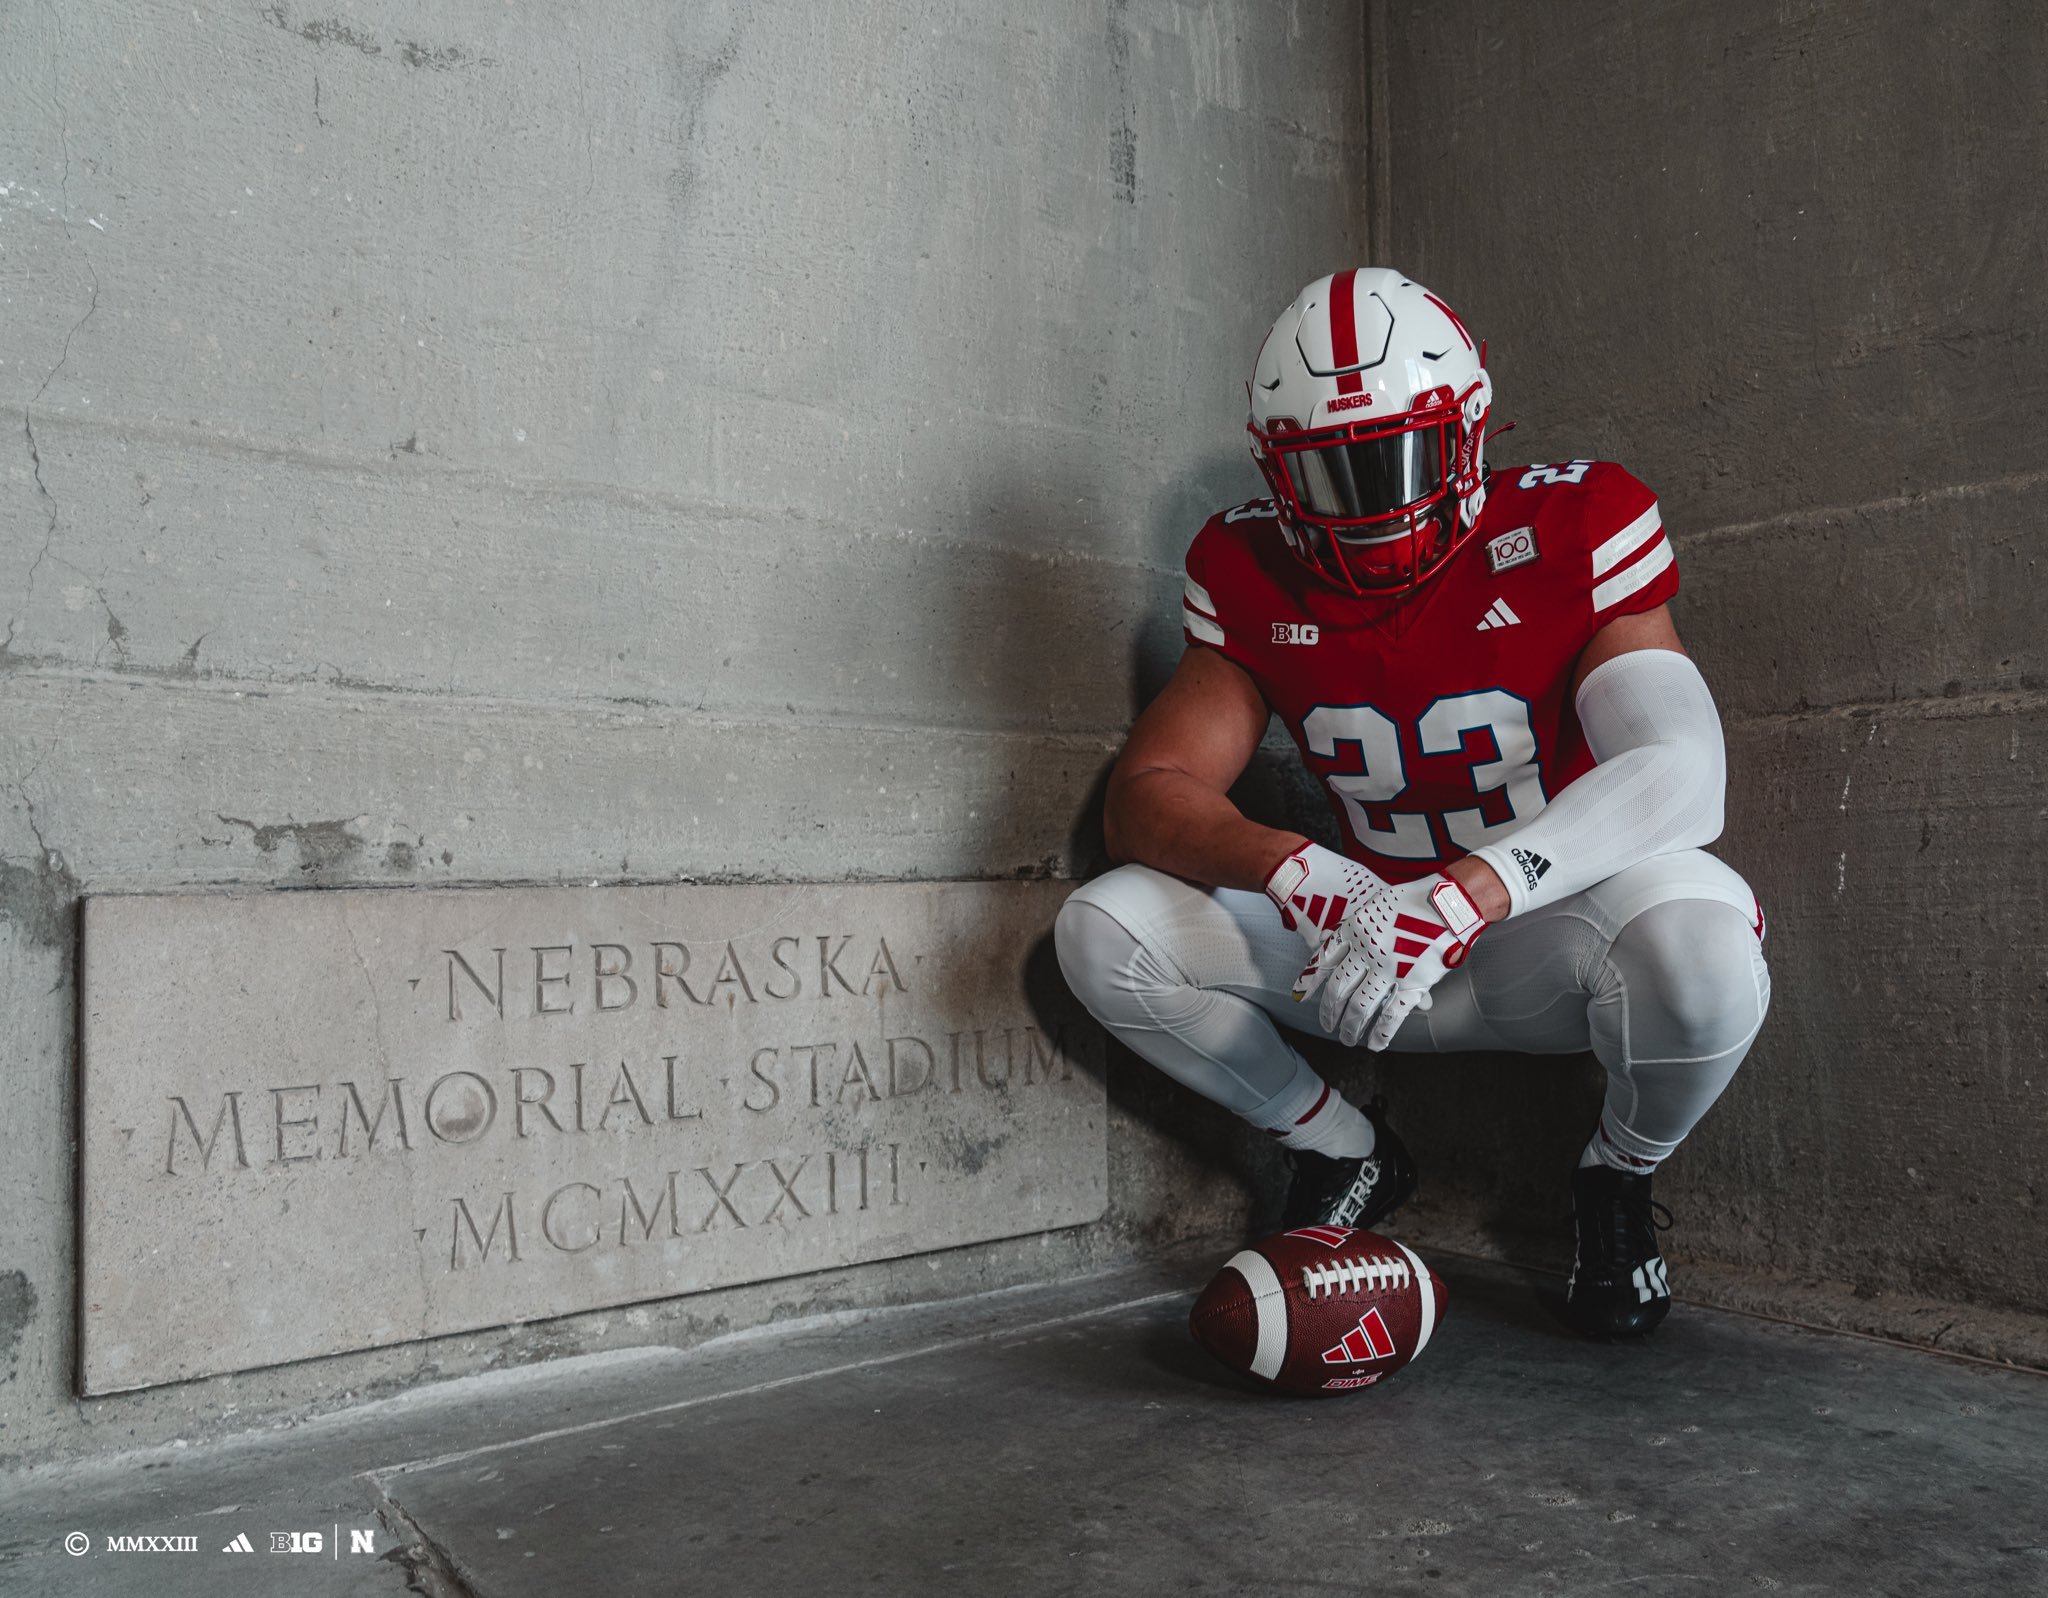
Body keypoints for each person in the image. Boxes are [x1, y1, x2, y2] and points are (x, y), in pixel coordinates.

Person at [1054, 269, 1770, 1338]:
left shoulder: (1573, 521)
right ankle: (1341, 1146)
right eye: (1328, 474)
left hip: (1541, 941)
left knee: (1702, 941)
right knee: (1101, 927)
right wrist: (1301, 870)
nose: (1372, 500)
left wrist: (1474, 889)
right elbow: (1146, 800)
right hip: (1360, 947)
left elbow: (1680, 765)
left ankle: (1615, 1176)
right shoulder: (1247, 565)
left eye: (1398, 455)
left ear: (1469, 431)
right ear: (1273, 470)